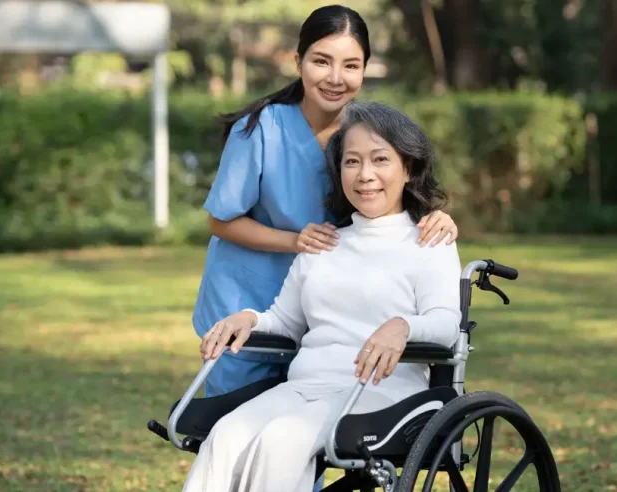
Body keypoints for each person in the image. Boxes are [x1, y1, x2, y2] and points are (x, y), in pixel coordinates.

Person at [182, 100, 462, 492]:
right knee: (226, 435)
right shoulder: (325, 243)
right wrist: (249, 318)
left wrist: (403, 326)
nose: (365, 175)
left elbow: (447, 325)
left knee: (283, 439)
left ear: (408, 168)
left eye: (380, 160)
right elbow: (285, 320)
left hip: (383, 390)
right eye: (352, 162)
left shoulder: (429, 241)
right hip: (306, 385)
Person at [192, 4, 458, 400]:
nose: (336, 78)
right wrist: (296, 240)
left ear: (365, 68)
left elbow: (392, 191)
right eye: (321, 61)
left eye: (351, 65)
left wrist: (439, 219)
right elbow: (220, 221)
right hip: (247, 297)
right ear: (299, 62)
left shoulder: (362, 133)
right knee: (239, 418)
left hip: (324, 307)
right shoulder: (261, 129)